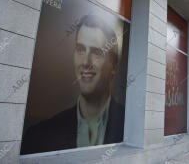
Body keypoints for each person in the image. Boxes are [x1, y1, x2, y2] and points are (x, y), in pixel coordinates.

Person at [21, 15, 125, 154]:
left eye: (96, 52)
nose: (85, 62)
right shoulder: (38, 136)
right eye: (81, 50)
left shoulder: (129, 125)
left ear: (113, 65)